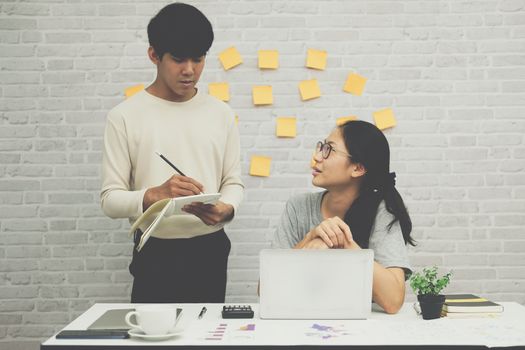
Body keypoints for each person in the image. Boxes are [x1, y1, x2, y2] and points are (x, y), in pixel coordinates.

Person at [100, 3, 244, 303]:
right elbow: (110, 201)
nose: (190, 70)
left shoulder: (221, 113)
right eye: (178, 59)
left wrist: (226, 209)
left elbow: (233, 183)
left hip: (211, 248)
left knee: (207, 339)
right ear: (154, 55)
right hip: (155, 251)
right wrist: (154, 194)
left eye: (199, 58)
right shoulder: (124, 116)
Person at [272, 120, 415, 314]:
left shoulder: (382, 212)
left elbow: (393, 301)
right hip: (302, 317)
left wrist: (345, 243)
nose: (316, 157)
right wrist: (310, 239)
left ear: (357, 168)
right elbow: (266, 289)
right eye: (321, 147)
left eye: (329, 150)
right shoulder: (298, 207)